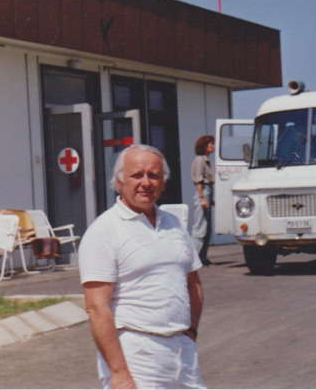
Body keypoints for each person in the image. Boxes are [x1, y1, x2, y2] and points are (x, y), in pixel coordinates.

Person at [79, 144, 205, 389]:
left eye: (154, 175)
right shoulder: (104, 231)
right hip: (137, 355)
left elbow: (193, 283)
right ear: (119, 181)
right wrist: (120, 373)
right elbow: (97, 308)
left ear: (163, 183)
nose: (146, 182)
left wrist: (191, 334)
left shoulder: (174, 224)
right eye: (137, 175)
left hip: (183, 351)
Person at [190, 135, 215, 265]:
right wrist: (202, 198)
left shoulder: (207, 161)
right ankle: (194, 258)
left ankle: (202, 257)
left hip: (208, 192)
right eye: (211, 144)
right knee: (200, 228)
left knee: (207, 228)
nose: (213, 146)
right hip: (203, 192)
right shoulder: (200, 160)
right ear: (205, 146)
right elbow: (199, 181)